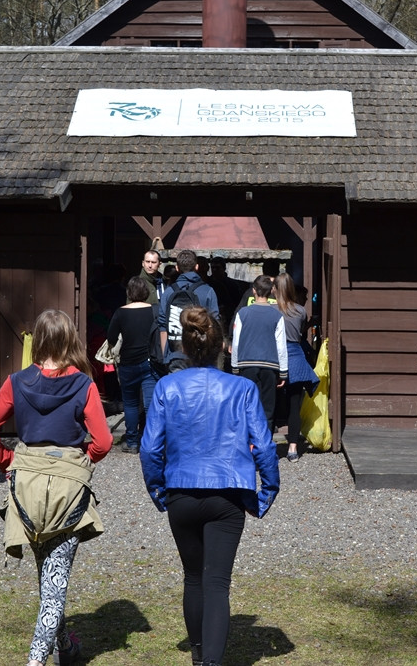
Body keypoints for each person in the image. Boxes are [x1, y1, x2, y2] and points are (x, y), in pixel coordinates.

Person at [140, 306, 279, 666]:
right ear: (222, 347)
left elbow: (150, 446)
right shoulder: (243, 388)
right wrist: (267, 492)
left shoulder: (167, 387)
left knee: (192, 577)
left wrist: (159, 490)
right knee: (216, 582)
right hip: (228, 494)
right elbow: (264, 445)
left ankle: (199, 654)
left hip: (181, 491)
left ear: (184, 347)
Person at [0, 309, 113, 666]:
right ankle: (36, 661)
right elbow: (103, 441)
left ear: (37, 339)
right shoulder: (84, 384)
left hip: (27, 487)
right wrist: (79, 461)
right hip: (67, 489)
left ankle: (65, 647)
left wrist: (10, 462)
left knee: (48, 575)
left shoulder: (16, 382)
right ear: (70, 340)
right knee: (54, 581)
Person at [107, 276, 161, 454]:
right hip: (149, 362)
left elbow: (111, 338)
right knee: (150, 402)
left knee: (130, 404)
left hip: (128, 363)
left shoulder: (120, 312)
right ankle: (151, 440)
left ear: (129, 293)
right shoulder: (155, 310)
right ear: (146, 292)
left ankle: (131, 442)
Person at [231, 275, 288, 433]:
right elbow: (281, 346)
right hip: (269, 365)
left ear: (253, 291)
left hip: (246, 364)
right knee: (268, 408)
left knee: (247, 406)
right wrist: (283, 372)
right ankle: (265, 446)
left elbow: (236, 342)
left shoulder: (243, 313)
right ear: (271, 292)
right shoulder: (277, 316)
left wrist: (235, 367)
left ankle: (248, 445)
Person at [274, 273, 320, 462]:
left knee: (273, 405)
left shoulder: (271, 310)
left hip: (276, 357)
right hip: (296, 357)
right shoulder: (301, 311)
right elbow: (300, 332)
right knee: (295, 405)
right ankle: (293, 447)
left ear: (275, 289)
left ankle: (269, 446)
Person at [157, 249, 220, 373]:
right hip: (201, 356)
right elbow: (214, 323)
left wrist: (166, 355)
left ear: (177, 268)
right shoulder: (208, 291)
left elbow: (163, 325)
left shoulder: (169, 292)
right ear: (197, 267)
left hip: (174, 356)